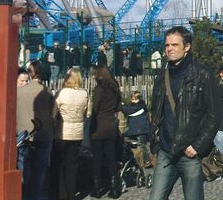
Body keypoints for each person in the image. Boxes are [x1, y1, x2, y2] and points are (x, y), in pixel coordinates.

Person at [146, 26, 218, 200]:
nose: (169, 49)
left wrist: (198, 146)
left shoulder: (203, 75)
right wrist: (156, 139)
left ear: (187, 47)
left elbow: (214, 115)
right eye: (167, 45)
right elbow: (156, 111)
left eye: (174, 45)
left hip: (189, 153)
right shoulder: (162, 77)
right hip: (166, 151)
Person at [18, 61, 56, 200]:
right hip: (44, 134)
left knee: (23, 169)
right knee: (40, 172)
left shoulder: (19, 92)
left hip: (23, 134)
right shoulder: (47, 92)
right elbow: (54, 115)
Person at [88, 66, 123, 198]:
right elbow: (118, 107)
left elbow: (95, 109)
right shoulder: (114, 89)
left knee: (97, 158)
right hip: (111, 125)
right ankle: (114, 188)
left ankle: (97, 188)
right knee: (111, 157)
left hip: (99, 126)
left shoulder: (99, 90)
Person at [55, 69, 90, 200]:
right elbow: (88, 113)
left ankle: (61, 193)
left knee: (60, 164)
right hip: (77, 133)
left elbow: (54, 111)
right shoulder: (84, 94)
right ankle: (71, 194)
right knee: (72, 165)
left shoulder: (61, 93)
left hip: (62, 132)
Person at [123, 92, 151, 169]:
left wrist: (122, 106)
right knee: (122, 137)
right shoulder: (137, 106)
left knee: (142, 144)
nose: (132, 100)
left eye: (133, 98)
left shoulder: (140, 106)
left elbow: (129, 111)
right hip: (136, 128)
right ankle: (136, 159)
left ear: (137, 99)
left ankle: (147, 161)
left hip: (140, 128)